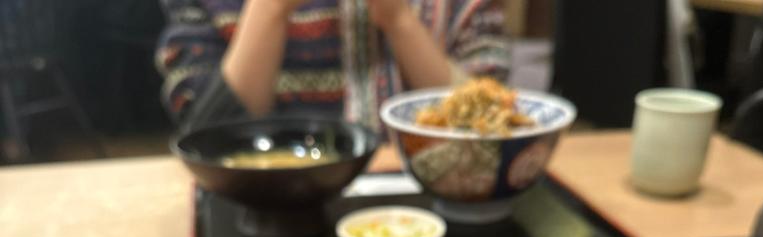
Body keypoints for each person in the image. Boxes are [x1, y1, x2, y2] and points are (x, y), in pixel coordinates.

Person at [156, 0, 509, 132]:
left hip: (432, 212)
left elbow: (494, 123)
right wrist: (268, 10)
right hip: (265, 209)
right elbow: (204, 138)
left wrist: (400, 20)